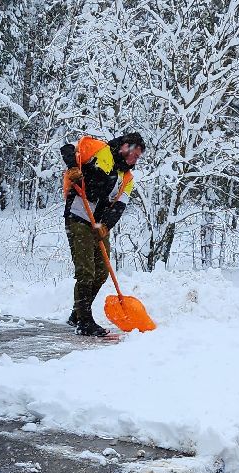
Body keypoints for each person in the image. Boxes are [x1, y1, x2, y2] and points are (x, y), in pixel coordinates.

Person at [60, 132, 146, 336]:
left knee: (101, 272)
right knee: (86, 271)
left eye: (138, 157)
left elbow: (119, 207)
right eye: (134, 154)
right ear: (125, 146)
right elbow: (67, 149)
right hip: (78, 216)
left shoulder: (126, 178)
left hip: (98, 224)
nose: (135, 159)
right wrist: (73, 167)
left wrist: (106, 226)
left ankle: (77, 314)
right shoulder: (98, 149)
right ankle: (85, 322)